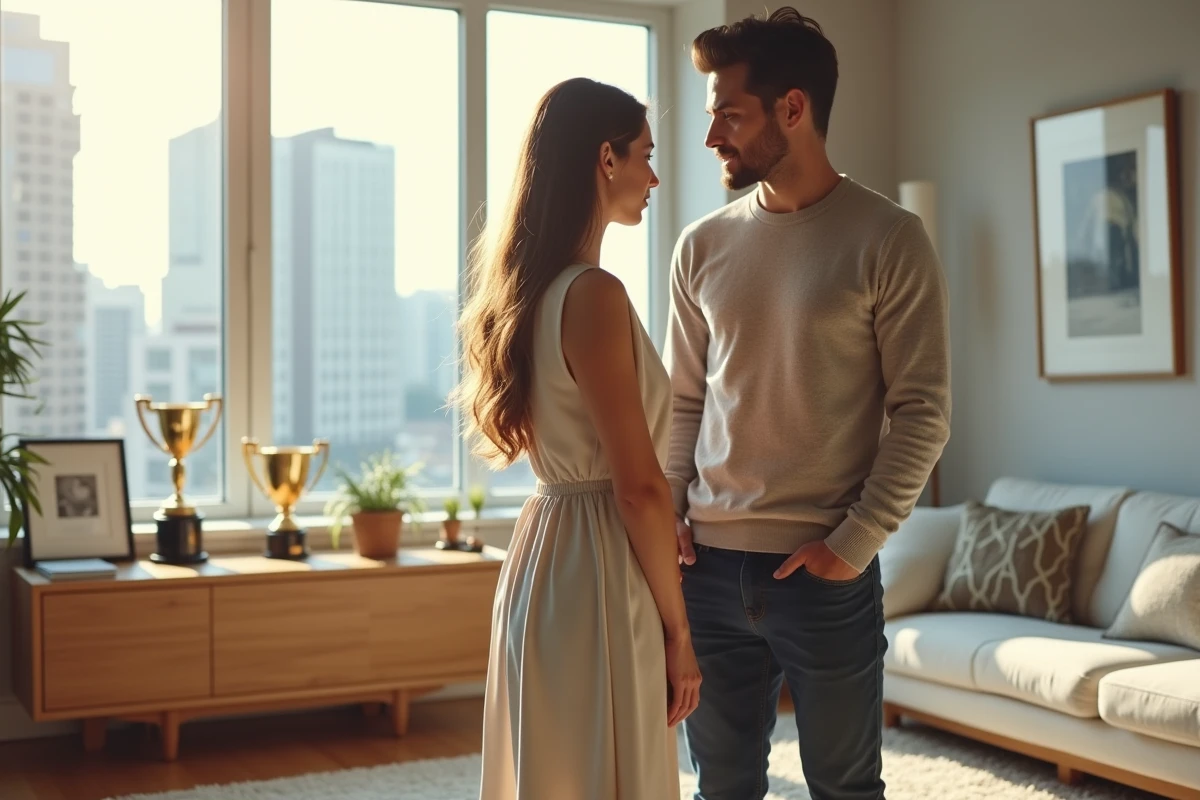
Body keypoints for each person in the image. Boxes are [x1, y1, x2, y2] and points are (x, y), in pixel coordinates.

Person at [666, 8, 951, 800]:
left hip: (825, 572)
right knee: (720, 788)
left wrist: (854, 543)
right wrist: (667, 510)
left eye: (729, 112)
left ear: (793, 108)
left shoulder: (889, 239)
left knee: (845, 787)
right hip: (708, 570)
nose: (712, 135)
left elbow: (923, 411)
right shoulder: (700, 246)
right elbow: (684, 401)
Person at [457, 77, 701, 800]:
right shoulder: (593, 295)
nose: (654, 177)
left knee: (560, 765)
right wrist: (680, 635)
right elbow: (638, 486)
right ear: (606, 158)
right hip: (598, 567)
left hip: (546, 555)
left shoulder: (527, 294)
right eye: (645, 156)